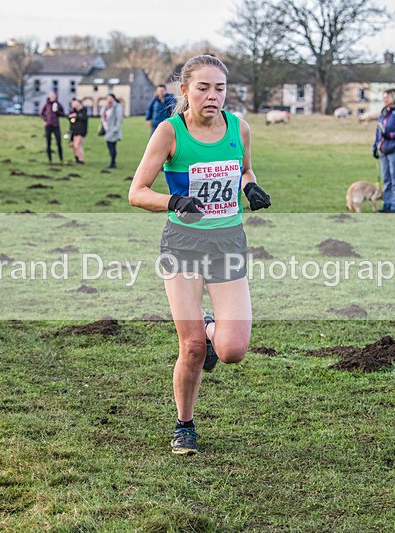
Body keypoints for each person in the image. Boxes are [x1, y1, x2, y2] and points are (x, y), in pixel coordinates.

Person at [128, 55, 272, 455]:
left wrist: (249, 186)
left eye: (219, 88)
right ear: (185, 90)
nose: (213, 96)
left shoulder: (239, 128)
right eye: (203, 88)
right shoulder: (169, 132)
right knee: (190, 347)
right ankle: (184, 425)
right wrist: (174, 201)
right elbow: (136, 192)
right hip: (183, 244)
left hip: (228, 242)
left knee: (232, 351)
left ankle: (211, 330)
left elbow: (245, 170)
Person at [39, 91, 64, 163]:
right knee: (48, 143)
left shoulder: (58, 105)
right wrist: (46, 119)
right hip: (48, 126)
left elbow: (63, 114)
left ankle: (61, 159)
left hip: (56, 126)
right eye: (51, 96)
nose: (52, 97)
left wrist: (57, 111)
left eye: (54, 96)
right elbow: (41, 113)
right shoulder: (46, 105)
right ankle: (50, 160)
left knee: (59, 143)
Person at [100, 93, 123, 169]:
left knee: (112, 145)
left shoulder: (117, 107)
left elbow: (119, 118)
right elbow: (102, 115)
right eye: (108, 98)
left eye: (110, 98)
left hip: (113, 130)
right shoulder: (105, 107)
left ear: (113, 99)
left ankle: (113, 163)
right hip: (107, 128)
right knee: (109, 145)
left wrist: (116, 128)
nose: (109, 100)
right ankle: (112, 162)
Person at [68, 98, 87, 164]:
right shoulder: (73, 111)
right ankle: (77, 158)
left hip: (81, 131)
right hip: (74, 131)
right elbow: (71, 120)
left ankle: (81, 159)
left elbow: (84, 118)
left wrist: (76, 116)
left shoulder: (83, 111)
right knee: (73, 145)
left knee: (77, 145)